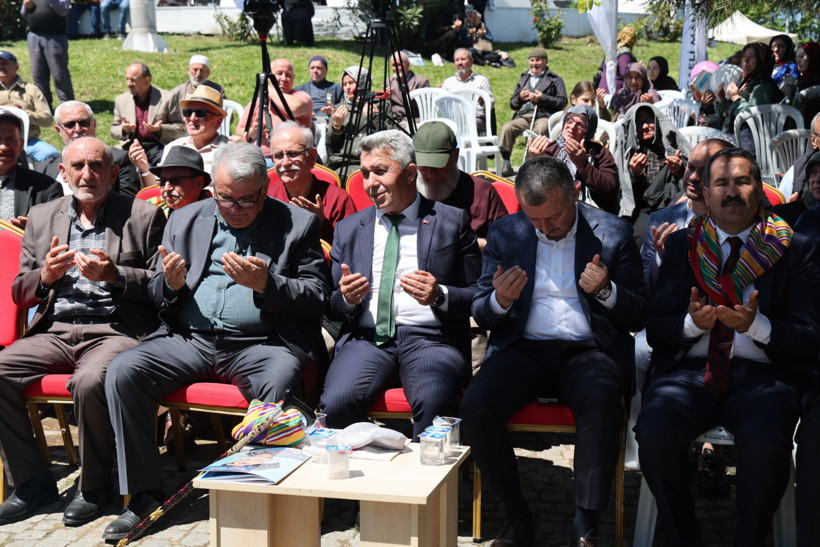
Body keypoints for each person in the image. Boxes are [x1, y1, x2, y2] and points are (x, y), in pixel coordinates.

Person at [103, 141, 330, 542]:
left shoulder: (297, 223)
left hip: (261, 344)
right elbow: (156, 290)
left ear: (265, 189)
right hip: (189, 339)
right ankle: (141, 495)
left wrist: (268, 284)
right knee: (124, 371)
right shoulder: (185, 218)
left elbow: (317, 296)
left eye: (246, 201)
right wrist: (170, 285)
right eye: (225, 198)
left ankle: (260, 494)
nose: (234, 208)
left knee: (281, 379)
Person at [635, 147, 820, 546]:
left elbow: (809, 337)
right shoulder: (684, 245)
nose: (732, 192)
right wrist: (692, 324)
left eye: (742, 181)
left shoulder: (794, 247)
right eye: (721, 183)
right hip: (690, 373)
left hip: (765, 377)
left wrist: (758, 327)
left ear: (760, 190)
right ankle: (683, 536)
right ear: (706, 192)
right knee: (653, 432)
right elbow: (657, 330)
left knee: (767, 446)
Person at [461, 155, 648, 546]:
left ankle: (585, 525)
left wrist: (606, 291)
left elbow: (640, 312)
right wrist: (500, 301)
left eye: (554, 218)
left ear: (574, 193)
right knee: (475, 405)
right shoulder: (507, 232)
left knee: (601, 403)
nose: (545, 229)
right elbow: (480, 309)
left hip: (590, 349)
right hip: (524, 348)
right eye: (535, 220)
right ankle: (517, 516)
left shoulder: (613, 232)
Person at [0, 136, 165, 527]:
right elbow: (20, 291)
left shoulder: (143, 216)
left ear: (113, 172)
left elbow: (162, 286)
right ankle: (31, 483)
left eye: (96, 166)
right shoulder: (43, 216)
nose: (86, 174)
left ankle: (94, 486)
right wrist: (46, 276)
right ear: (63, 172)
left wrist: (115, 275)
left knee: (90, 382)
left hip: (114, 330)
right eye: (77, 166)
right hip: (55, 330)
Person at [319, 130, 481, 439]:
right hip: (367, 340)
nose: (371, 183)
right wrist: (348, 298)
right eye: (365, 173)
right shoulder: (349, 229)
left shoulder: (451, 221)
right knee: (336, 404)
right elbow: (333, 305)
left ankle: (429, 470)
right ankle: (370, 465)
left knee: (434, 405)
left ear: (410, 173)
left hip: (432, 339)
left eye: (380, 171)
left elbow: (477, 294)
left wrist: (440, 294)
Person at [412, 120, 508, 249]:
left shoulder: (482, 193)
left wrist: (469, 243)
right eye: (423, 168)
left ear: (456, 156)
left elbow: (507, 242)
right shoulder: (408, 192)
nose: (431, 173)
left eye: (438, 166)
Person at [613, 103, 691, 244]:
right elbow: (623, 191)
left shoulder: (671, 147)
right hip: (642, 208)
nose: (644, 126)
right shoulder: (629, 151)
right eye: (639, 123)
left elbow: (690, 180)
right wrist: (634, 174)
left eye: (649, 120)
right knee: (639, 237)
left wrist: (678, 171)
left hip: (672, 203)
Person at [269, 121, 357, 244]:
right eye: (278, 155)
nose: (285, 162)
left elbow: (352, 247)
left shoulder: (338, 200)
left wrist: (320, 222)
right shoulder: (268, 198)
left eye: (292, 154)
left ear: (312, 157)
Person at [131, 84, 229, 188]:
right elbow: (158, 189)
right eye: (187, 112)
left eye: (201, 113)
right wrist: (144, 169)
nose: (192, 118)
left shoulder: (229, 151)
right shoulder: (173, 147)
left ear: (218, 121)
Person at [36, 100, 139, 197]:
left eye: (83, 122)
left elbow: (129, 203)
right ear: (59, 130)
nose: (77, 129)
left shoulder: (119, 160)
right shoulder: (44, 169)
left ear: (94, 124)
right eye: (70, 125)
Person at [528, 105, 619, 214]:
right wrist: (535, 161)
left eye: (579, 124)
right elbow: (529, 186)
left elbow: (609, 188)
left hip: (588, 211)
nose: (572, 127)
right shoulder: (549, 149)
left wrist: (583, 165)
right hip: (551, 209)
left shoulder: (600, 153)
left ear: (589, 130)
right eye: (569, 121)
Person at [499, 47, 568, 177]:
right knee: (507, 128)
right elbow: (513, 103)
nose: (534, 63)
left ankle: (532, 162)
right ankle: (506, 163)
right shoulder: (523, 79)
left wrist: (542, 98)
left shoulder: (555, 79)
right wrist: (520, 98)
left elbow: (562, 101)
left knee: (541, 129)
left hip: (543, 115)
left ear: (545, 61)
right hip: (523, 116)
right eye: (532, 60)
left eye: (538, 60)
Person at [236, 58, 313, 160]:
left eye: (288, 75)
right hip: (261, 159)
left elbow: (294, 109)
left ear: (293, 78)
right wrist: (253, 132)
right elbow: (240, 131)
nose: (284, 78)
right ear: (270, 77)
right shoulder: (258, 102)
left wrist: (267, 88)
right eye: (279, 74)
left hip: (292, 158)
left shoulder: (301, 97)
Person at [111, 62, 185, 166]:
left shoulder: (167, 99)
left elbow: (181, 128)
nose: (129, 83)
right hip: (130, 145)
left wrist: (160, 129)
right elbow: (114, 130)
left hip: (157, 145)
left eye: (133, 80)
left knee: (167, 165)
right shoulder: (121, 100)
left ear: (147, 81)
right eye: (127, 79)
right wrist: (124, 130)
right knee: (111, 161)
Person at [714, 42, 783, 151]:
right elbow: (725, 115)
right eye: (744, 56)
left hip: (750, 142)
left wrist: (736, 98)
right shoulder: (745, 81)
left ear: (762, 61)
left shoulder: (763, 85)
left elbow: (752, 117)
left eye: (752, 57)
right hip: (734, 135)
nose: (745, 60)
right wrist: (721, 100)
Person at [0, 108, 59, 228]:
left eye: (10, 138)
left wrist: (33, 231)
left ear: (21, 145)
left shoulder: (46, 188)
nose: (4, 147)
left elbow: (58, 230)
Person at [0, 49, 59, 164]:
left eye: (5, 63)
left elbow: (47, 120)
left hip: (29, 142)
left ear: (16, 67)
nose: (1, 67)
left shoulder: (31, 90)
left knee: (51, 155)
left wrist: (24, 113)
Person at [21, 0, 75, 110]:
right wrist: (26, 6)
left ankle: (67, 106)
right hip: (34, 36)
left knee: (59, 75)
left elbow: (63, 11)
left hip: (55, 37)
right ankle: (44, 107)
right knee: (38, 74)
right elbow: (24, 14)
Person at [326, 66, 375, 172]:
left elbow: (392, 136)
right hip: (343, 163)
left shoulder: (378, 106)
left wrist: (375, 120)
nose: (347, 87)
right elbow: (331, 145)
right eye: (344, 84)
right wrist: (337, 126)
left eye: (351, 83)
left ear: (363, 83)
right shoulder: (339, 109)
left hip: (372, 162)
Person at [144, 146, 211, 216]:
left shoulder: (214, 214)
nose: (166, 188)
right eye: (163, 182)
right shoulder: (150, 211)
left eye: (175, 181)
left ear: (198, 184)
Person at [441, 48, 494, 134]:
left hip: (475, 119)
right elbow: (441, 107)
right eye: (457, 60)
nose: (460, 62)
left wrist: (481, 100)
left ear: (471, 61)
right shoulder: (448, 82)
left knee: (471, 125)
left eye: (463, 59)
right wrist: (441, 96)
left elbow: (491, 104)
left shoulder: (481, 81)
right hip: (453, 120)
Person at [777, 112, 820, 204]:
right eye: (813, 172)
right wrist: (789, 208)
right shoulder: (798, 170)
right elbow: (783, 201)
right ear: (813, 141)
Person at [387, 51, 430, 131]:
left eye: (399, 65)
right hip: (395, 122)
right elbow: (386, 107)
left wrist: (411, 96)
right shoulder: (389, 82)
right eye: (393, 65)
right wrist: (386, 97)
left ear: (408, 64)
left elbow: (425, 107)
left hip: (414, 122)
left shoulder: (421, 82)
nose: (396, 68)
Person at [294, 55, 344, 124]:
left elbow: (344, 105)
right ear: (309, 70)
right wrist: (305, 114)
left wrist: (333, 110)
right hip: (307, 121)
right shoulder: (299, 89)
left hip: (330, 121)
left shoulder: (336, 88)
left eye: (319, 68)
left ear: (326, 71)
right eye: (312, 68)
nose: (315, 71)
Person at [596, 26, 637, 95]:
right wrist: (638, 68)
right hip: (615, 90)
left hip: (603, 88)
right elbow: (624, 73)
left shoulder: (611, 50)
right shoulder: (624, 53)